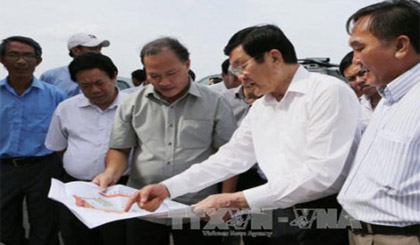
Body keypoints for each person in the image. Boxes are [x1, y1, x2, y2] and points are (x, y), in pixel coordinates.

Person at [125, 25, 360, 244]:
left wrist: (233, 200)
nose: (239, 76)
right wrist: (168, 188)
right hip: (276, 207)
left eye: (242, 66)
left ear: (274, 57)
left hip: (324, 214)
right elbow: (231, 157)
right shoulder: (263, 106)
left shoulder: (327, 92)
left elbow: (320, 174)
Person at [93, 37, 237, 245]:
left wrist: (226, 200)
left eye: (172, 73)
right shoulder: (132, 103)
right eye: (155, 76)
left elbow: (228, 155)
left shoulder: (215, 102)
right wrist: (109, 173)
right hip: (143, 204)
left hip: (197, 205)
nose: (165, 82)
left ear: (187, 64)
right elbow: (120, 149)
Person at [337, 1, 420, 244]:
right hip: (361, 232)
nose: (356, 60)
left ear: (400, 46)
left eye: (359, 48)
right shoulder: (388, 98)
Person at [44, 52, 128, 245]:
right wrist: (80, 162)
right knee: (77, 237)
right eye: (85, 85)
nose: (94, 90)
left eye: (100, 83)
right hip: (76, 189)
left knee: (117, 238)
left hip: (121, 188)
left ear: (114, 75)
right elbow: (58, 146)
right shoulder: (66, 108)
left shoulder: (133, 107)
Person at [0, 36, 65, 245]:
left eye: (28, 55)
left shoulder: (55, 96)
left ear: (38, 61)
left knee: (45, 224)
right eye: (14, 55)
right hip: (4, 168)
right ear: (2, 59)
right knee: (4, 226)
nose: (21, 61)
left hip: (43, 167)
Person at [40, 33, 110, 97]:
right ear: (76, 50)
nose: (98, 53)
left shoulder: (107, 72)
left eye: (99, 49)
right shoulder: (51, 76)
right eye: (93, 49)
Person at [340, 51, 381, 132]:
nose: (358, 81)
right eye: (352, 79)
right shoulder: (354, 108)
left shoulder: (399, 100)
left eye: (362, 73)